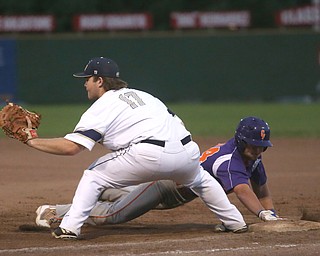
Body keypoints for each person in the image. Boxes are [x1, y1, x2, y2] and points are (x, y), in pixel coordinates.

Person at [27, 57, 247, 239]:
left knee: (93, 176)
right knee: (200, 179)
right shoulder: (145, 96)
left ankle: (70, 227)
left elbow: (71, 148)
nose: (85, 83)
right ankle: (235, 222)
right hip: (187, 152)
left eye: (88, 79)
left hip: (147, 154)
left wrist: (32, 141)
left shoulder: (104, 104)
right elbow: (175, 122)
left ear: (100, 81)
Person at [35, 116, 281, 232]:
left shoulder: (252, 158)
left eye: (261, 146)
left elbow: (262, 188)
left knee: (117, 194)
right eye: (253, 144)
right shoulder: (230, 161)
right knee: (115, 214)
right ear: (240, 141)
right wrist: (261, 214)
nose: (258, 150)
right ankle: (55, 212)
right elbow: (242, 190)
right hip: (165, 188)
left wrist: (271, 214)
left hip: (170, 182)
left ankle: (84, 198)